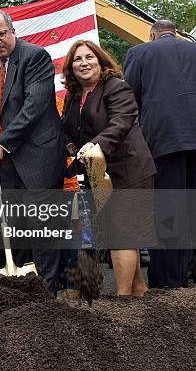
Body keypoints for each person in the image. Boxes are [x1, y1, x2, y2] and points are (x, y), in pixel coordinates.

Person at [0, 10, 65, 295]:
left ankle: (47, 298)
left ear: (13, 31)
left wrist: (2, 142)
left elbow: (33, 108)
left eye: (2, 34)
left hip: (38, 158)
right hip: (6, 162)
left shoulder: (36, 57)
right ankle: (25, 294)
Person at [62, 40, 157, 296]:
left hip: (129, 170)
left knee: (121, 235)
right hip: (98, 175)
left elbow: (122, 121)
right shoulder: (73, 97)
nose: (84, 63)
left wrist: (94, 144)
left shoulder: (115, 87)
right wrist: (72, 145)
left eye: (89, 57)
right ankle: (139, 290)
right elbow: (69, 129)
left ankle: (122, 298)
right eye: (77, 59)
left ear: (101, 60)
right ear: (71, 67)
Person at [124, 20, 196, 288]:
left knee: (170, 211)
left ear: (152, 35)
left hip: (164, 141)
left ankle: (169, 281)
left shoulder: (140, 53)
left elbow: (129, 99)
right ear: (175, 33)